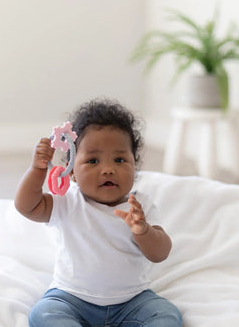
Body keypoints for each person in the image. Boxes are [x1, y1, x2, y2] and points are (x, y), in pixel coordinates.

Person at [14, 98, 183, 327]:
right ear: (71, 172)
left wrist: (143, 231)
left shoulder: (139, 206)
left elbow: (160, 253)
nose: (108, 169)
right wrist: (37, 169)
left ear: (135, 166)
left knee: (166, 315)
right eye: (93, 160)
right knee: (44, 314)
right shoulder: (68, 202)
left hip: (132, 301)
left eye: (120, 159)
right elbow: (26, 206)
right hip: (71, 297)